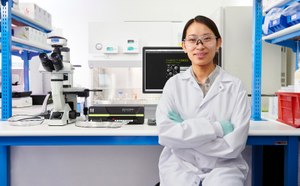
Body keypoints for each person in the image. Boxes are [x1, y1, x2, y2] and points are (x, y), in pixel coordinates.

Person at [155, 15, 250, 186]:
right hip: (180, 165)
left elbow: (234, 145)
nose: (200, 46)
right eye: (193, 40)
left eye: (207, 39)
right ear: (184, 46)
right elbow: (165, 135)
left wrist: (185, 134)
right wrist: (217, 129)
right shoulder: (173, 85)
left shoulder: (235, 86)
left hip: (224, 167)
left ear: (218, 43)